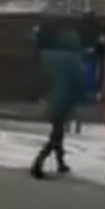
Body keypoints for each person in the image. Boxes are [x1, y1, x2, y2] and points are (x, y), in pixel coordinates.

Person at [31, 23, 86, 178]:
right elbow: (78, 82)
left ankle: (61, 163)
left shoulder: (48, 56)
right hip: (64, 100)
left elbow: (43, 78)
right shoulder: (74, 59)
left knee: (58, 132)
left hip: (52, 99)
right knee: (56, 134)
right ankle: (38, 163)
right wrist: (84, 98)